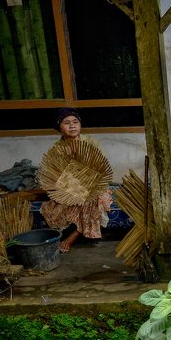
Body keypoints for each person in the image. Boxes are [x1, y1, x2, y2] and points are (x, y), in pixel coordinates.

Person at [40, 107, 113, 253]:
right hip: (69, 187)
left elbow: (101, 168)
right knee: (69, 201)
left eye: (75, 122)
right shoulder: (56, 149)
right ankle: (79, 229)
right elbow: (56, 175)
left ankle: (73, 236)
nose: (72, 126)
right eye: (67, 123)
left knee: (93, 199)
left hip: (94, 184)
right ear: (59, 127)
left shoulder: (91, 143)